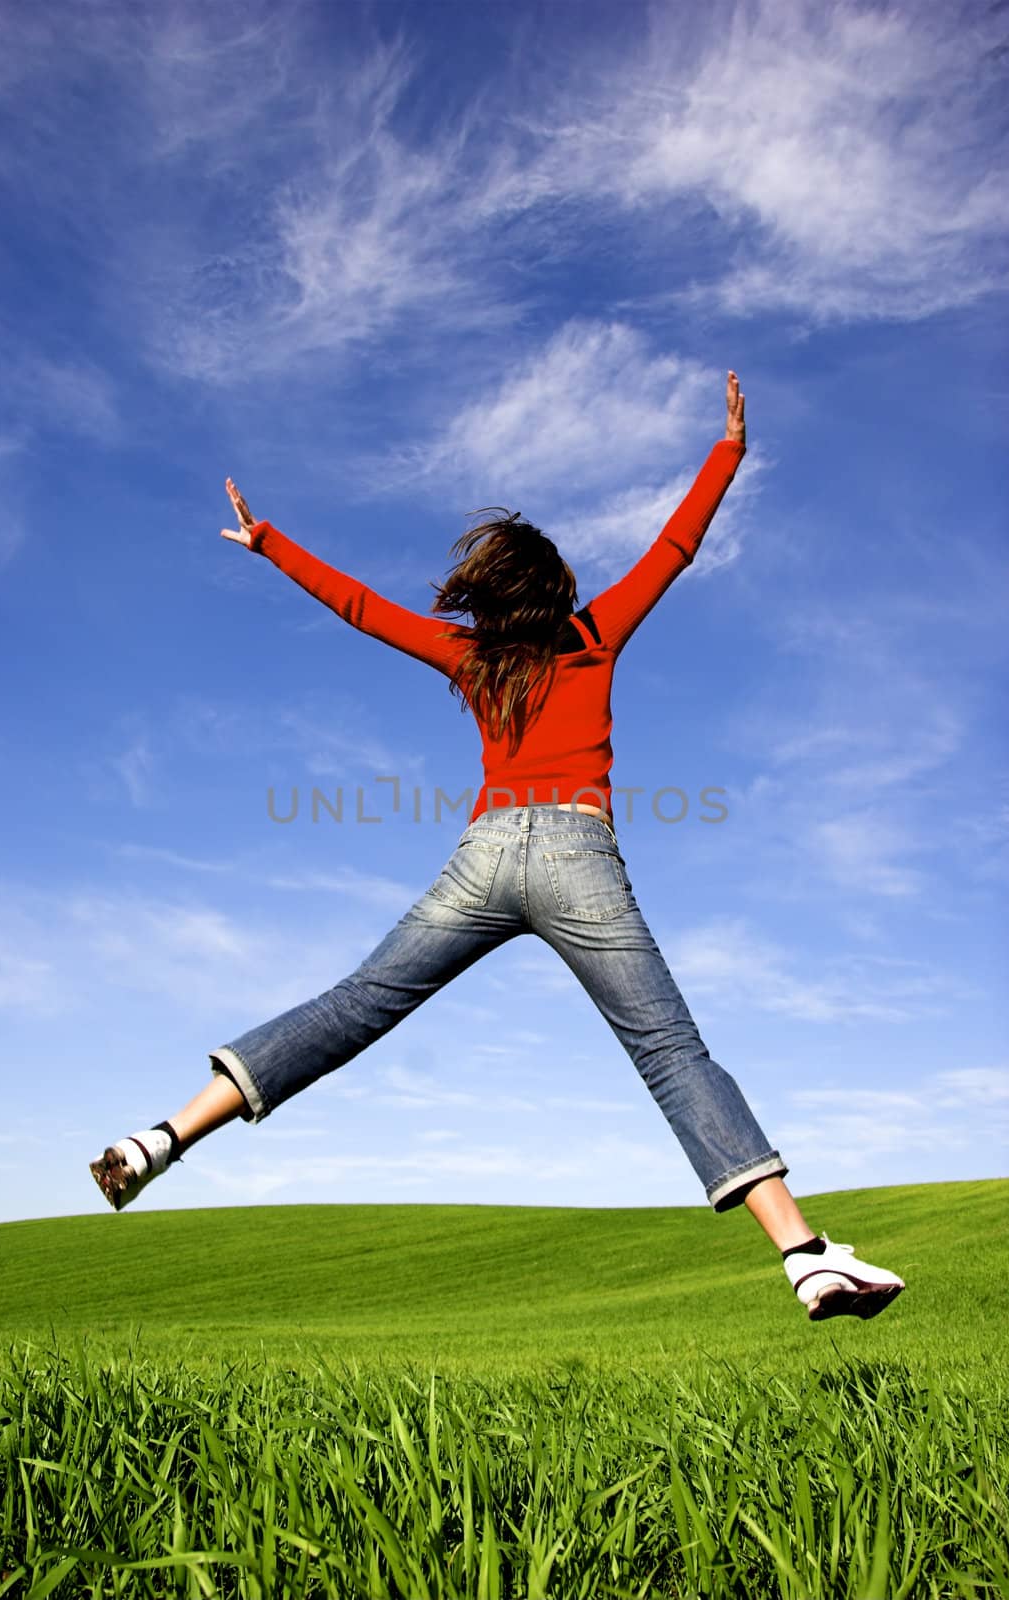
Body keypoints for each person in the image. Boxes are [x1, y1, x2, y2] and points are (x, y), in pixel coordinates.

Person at [90, 372, 905, 1323]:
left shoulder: (472, 660)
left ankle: (162, 1137)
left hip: (483, 856)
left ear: (487, 597)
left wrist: (270, 543)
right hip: (577, 858)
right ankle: (804, 1255)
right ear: (556, 590)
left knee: (354, 1004)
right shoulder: (596, 634)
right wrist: (728, 451)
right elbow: (675, 548)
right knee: (672, 1054)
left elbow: (360, 608)